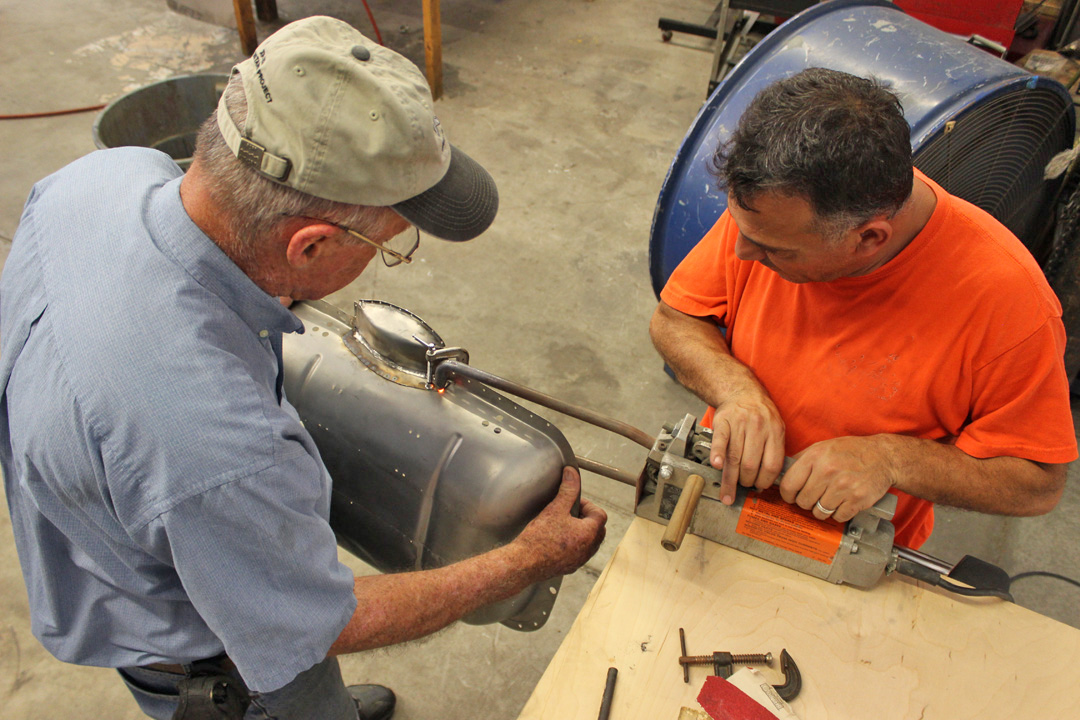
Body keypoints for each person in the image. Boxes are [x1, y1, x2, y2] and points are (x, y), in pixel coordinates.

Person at [0, 16, 606, 720]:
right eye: (390, 241)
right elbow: (320, 625)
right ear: (310, 247)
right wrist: (524, 561)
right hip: (208, 658)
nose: (389, 252)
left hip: (100, 548)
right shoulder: (218, 446)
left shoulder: (98, 178)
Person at [650, 67, 1076, 550]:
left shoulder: (1008, 303)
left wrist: (890, 460)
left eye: (775, 251)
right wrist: (737, 393)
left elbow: (1038, 482)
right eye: (742, 230)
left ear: (869, 238)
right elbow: (675, 318)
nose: (744, 254)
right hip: (717, 495)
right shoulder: (773, 215)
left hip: (848, 543)